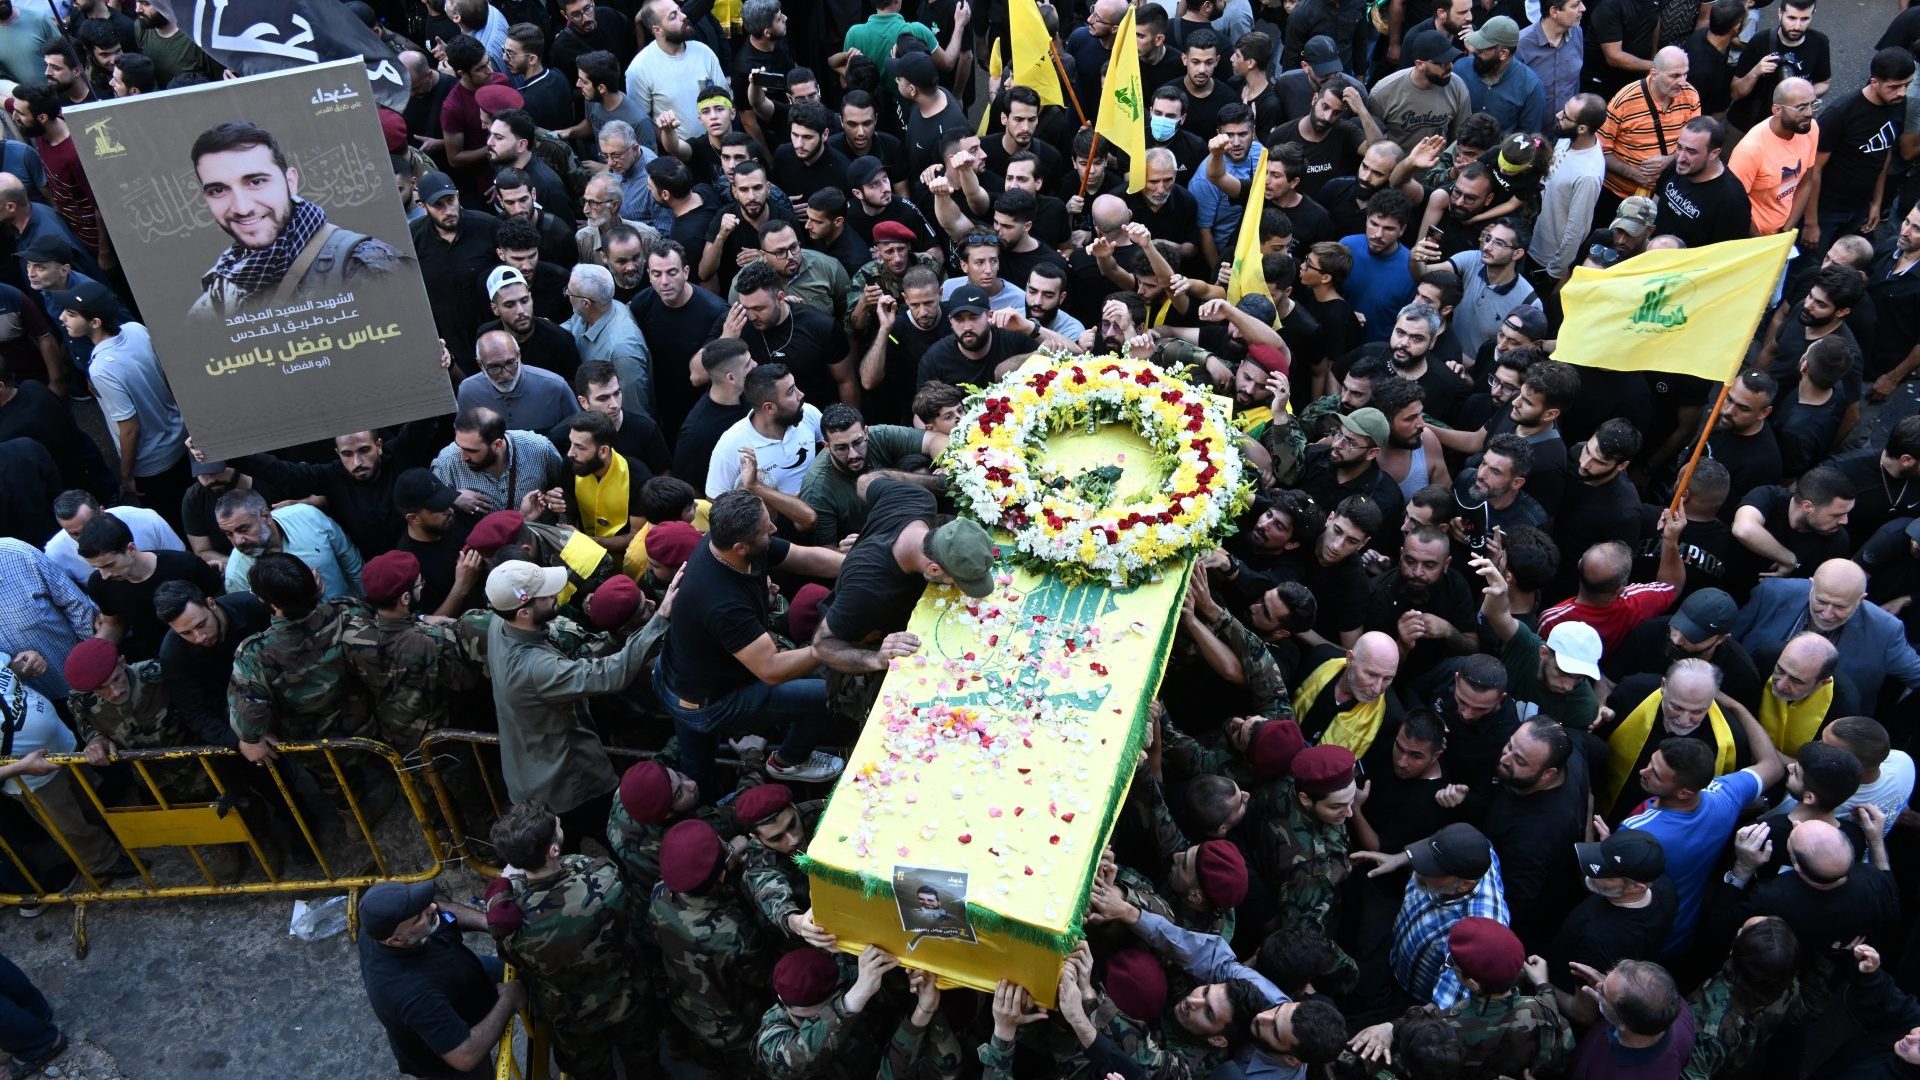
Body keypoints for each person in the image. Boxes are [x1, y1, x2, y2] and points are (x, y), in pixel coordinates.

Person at [653, 491, 846, 796]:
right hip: (707, 701)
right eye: (766, 528)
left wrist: (856, 566)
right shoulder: (722, 602)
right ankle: (788, 761)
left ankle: (705, 795)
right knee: (825, 695)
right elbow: (771, 670)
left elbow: (803, 556)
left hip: (688, 673)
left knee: (698, 764)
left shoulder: (729, 543)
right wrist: (827, 650)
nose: (774, 530)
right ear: (740, 547)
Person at [482, 560, 650, 848]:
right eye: (547, 596)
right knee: (620, 842)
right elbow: (610, 675)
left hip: (529, 777)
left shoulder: (501, 622)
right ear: (523, 612)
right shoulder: (535, 667)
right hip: (571, 782)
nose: (556, 596)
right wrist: (657, 624)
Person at [484, 800, 655, 1078]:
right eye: (558, 827)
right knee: (644, 1061)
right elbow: (628, 915)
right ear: (554, 850)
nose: (562, 826)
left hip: (572, 1015)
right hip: (626, 993)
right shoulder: (604, 881)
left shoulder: (512, 921)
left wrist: (505, 887)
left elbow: (511, 956)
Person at [186, 121, 409, 322]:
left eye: (256, 182)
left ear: (290, 181)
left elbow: (408, 348)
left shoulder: (364, 265)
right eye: (218, 190)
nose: (243, 208)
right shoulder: (224, 286)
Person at [358, 881, 525, 1080]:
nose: (432, 908)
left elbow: (440, 909)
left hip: (464, 977)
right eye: (418, 917)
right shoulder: (412, 994)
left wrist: (488, 923)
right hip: (449, 1055)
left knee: (529, 973)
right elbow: (465, 1056)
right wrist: (508, 1000)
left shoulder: (383, 928)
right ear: (396, 941)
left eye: (422, 904)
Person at [1350, 822, 1508, 1008]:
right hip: (1392, 956)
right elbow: (1441, 847)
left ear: (1465, 885)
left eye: (1433, 869)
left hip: (1415, 998)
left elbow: (1445, 1007)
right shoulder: (1474, 849)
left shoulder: (1477, 935)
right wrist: (1400, 858)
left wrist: (1391, 1028)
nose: (1420, 869)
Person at [215, 489, 363, 601]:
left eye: (243, 529)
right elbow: (259, 619)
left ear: (265, 516)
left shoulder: (307, 517)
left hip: (354, 618)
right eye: (228, 534)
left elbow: (350, 561)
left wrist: (367, 604)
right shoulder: (237, 575)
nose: (238, 541)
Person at [1729, 78, 1821, 237]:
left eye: (1812, 104)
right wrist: (1762, 243)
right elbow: (1732, 205)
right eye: (1801, 108)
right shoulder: (1750, 150)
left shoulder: (1810, 129)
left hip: (1782, 231)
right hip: (1750, 237)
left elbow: (1806, 182)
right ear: (1777, 110)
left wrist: (1785, 231)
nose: (1810, 113)